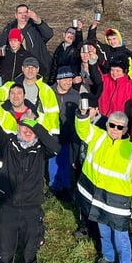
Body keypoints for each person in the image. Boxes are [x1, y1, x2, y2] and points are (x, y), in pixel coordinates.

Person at [0, 114, 60, 263]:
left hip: (31, 208)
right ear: (17, 127)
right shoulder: (9, 143)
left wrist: (37, 126)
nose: (27, 132)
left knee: (29, 253)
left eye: (31, 128)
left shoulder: (41, 148)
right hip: (8, 208)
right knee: (3, 253)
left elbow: (56, 147)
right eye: (23, 127)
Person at [76, 109, 132, 263]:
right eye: (112, 125)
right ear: (107, 125)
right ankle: (107, 257)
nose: (115, 129)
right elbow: (82, 129)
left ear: (125, 130)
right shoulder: (98, 136)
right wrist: (84, 115)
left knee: (121, 237)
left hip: (118, 203)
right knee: (103, 230)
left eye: (120, 127)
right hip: (98, 196)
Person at [48, 66, 83, 197]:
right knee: (53, 160)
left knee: (65, 160)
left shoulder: (75, 95)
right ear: (58, 80)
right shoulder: (49, 93)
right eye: (65, 80)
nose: (68, 82)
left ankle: (65, 185)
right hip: (52, 132)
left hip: (68, 132)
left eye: (70, 79)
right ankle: (53, 185)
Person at [0, 4, 53, 77]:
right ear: (16, 15)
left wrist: (38, 20)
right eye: (20, 13)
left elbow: (49, 34)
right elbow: (0, 45)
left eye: (25, 13)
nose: (23, 15)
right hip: (18, 69)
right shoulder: (9, 28)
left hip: (38, 66)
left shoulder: (35, 26)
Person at [98, 56, 132, 141]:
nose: (114, 73)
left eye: (118, 71)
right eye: (112, 70)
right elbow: (94, 74)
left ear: (125, 71)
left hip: (118, 131)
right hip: (101, 127)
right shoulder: (104, 80)